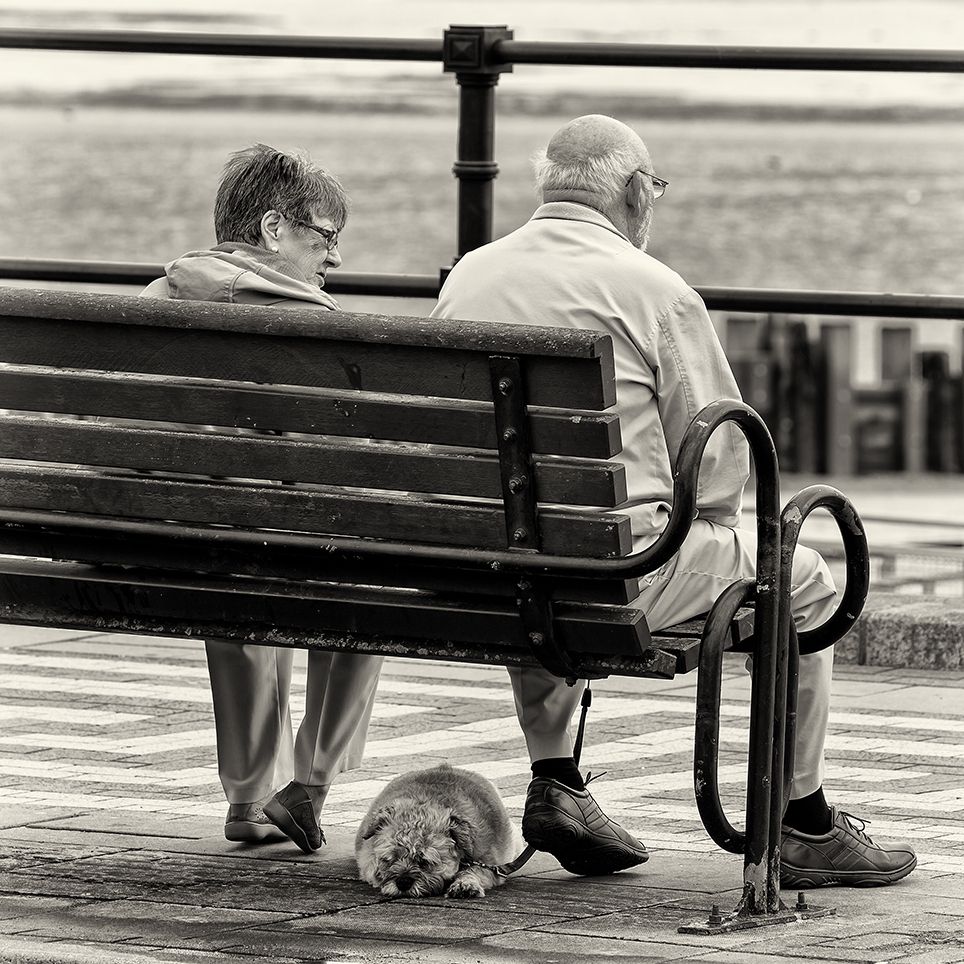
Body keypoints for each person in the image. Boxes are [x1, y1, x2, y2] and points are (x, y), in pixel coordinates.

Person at [431, 115, 917, 888]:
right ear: (632, 192)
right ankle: (805, 821)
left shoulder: (471, 276)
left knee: (539, 540)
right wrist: (711, 527)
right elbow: (724, 457)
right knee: (807, 575)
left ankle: (557, 776)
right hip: (629, 571)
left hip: (497, 569)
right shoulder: (654, 290)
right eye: (652, 188)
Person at [141, 144, 383, 854]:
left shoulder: (152, 301)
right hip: (258, 541)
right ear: (274, 229)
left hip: (148, 544)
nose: (333, 257)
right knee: (364, 574)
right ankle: (307, 782)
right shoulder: (308, 323)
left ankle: (249, 797)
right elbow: (348, 469)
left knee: (239, 558)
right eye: (325, 236)